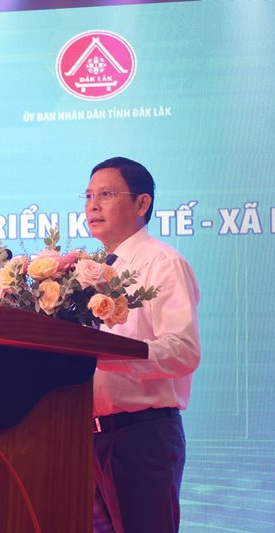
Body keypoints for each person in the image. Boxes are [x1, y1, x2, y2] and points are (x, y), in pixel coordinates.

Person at [84, 157, 201, 533]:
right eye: (88, 196)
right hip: (85, 440)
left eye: (105, 195)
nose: (93, 206)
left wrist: (109, 355)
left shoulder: (163, 264)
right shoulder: (89, 271)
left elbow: (183, 351)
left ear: (141, 203)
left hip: (141, 437)